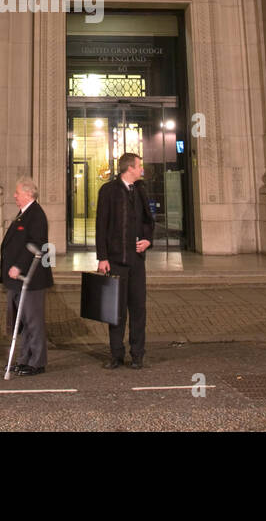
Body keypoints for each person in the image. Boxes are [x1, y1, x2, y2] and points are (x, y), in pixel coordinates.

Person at [95, 152, 154, 369]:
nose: (141, 170)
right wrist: (102, 257)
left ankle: (137, 355)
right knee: (116, 311)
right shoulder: (108, 191)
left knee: (138, 309)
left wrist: (148, 240)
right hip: (116, 261)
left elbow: (149, 221)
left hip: (137, 261)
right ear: (129, 168)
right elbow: (101, 225)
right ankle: (116, 355)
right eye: (139, 166)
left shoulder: (141, 191)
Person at [0, 177, 54, 376]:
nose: (14, 196)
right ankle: (24, 359)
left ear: (28, 194)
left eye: (17, 193)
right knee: (21, 321)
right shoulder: (24, 214)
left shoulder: (36, 215)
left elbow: (35, 244)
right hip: (16, 280)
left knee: (33, 320)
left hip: (30, 279)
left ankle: (37, 362)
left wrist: (18, 266)